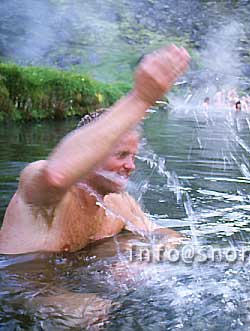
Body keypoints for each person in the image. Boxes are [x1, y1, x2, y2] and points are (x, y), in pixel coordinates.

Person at [0, 45, 190, 255]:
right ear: (93, 153)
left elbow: (168, 235)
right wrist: (141, 98)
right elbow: (56, 175)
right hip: (23, 285)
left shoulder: (119, 203)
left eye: (133, 156)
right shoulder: (42, 195)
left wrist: (145, 256)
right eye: (121, 155)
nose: (130, 166)